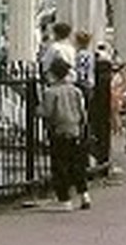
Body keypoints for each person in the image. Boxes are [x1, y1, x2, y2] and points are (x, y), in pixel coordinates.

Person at [39, 58, 90, 211]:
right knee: (77, 166)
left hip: (59, 132)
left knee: (60, 167)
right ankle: (84, 195)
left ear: (53, 74)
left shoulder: (50, 92)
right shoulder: (75, 90)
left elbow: (47, 112)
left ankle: (65, 200)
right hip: (75, 131)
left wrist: (37, 109)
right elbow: (83, 112)